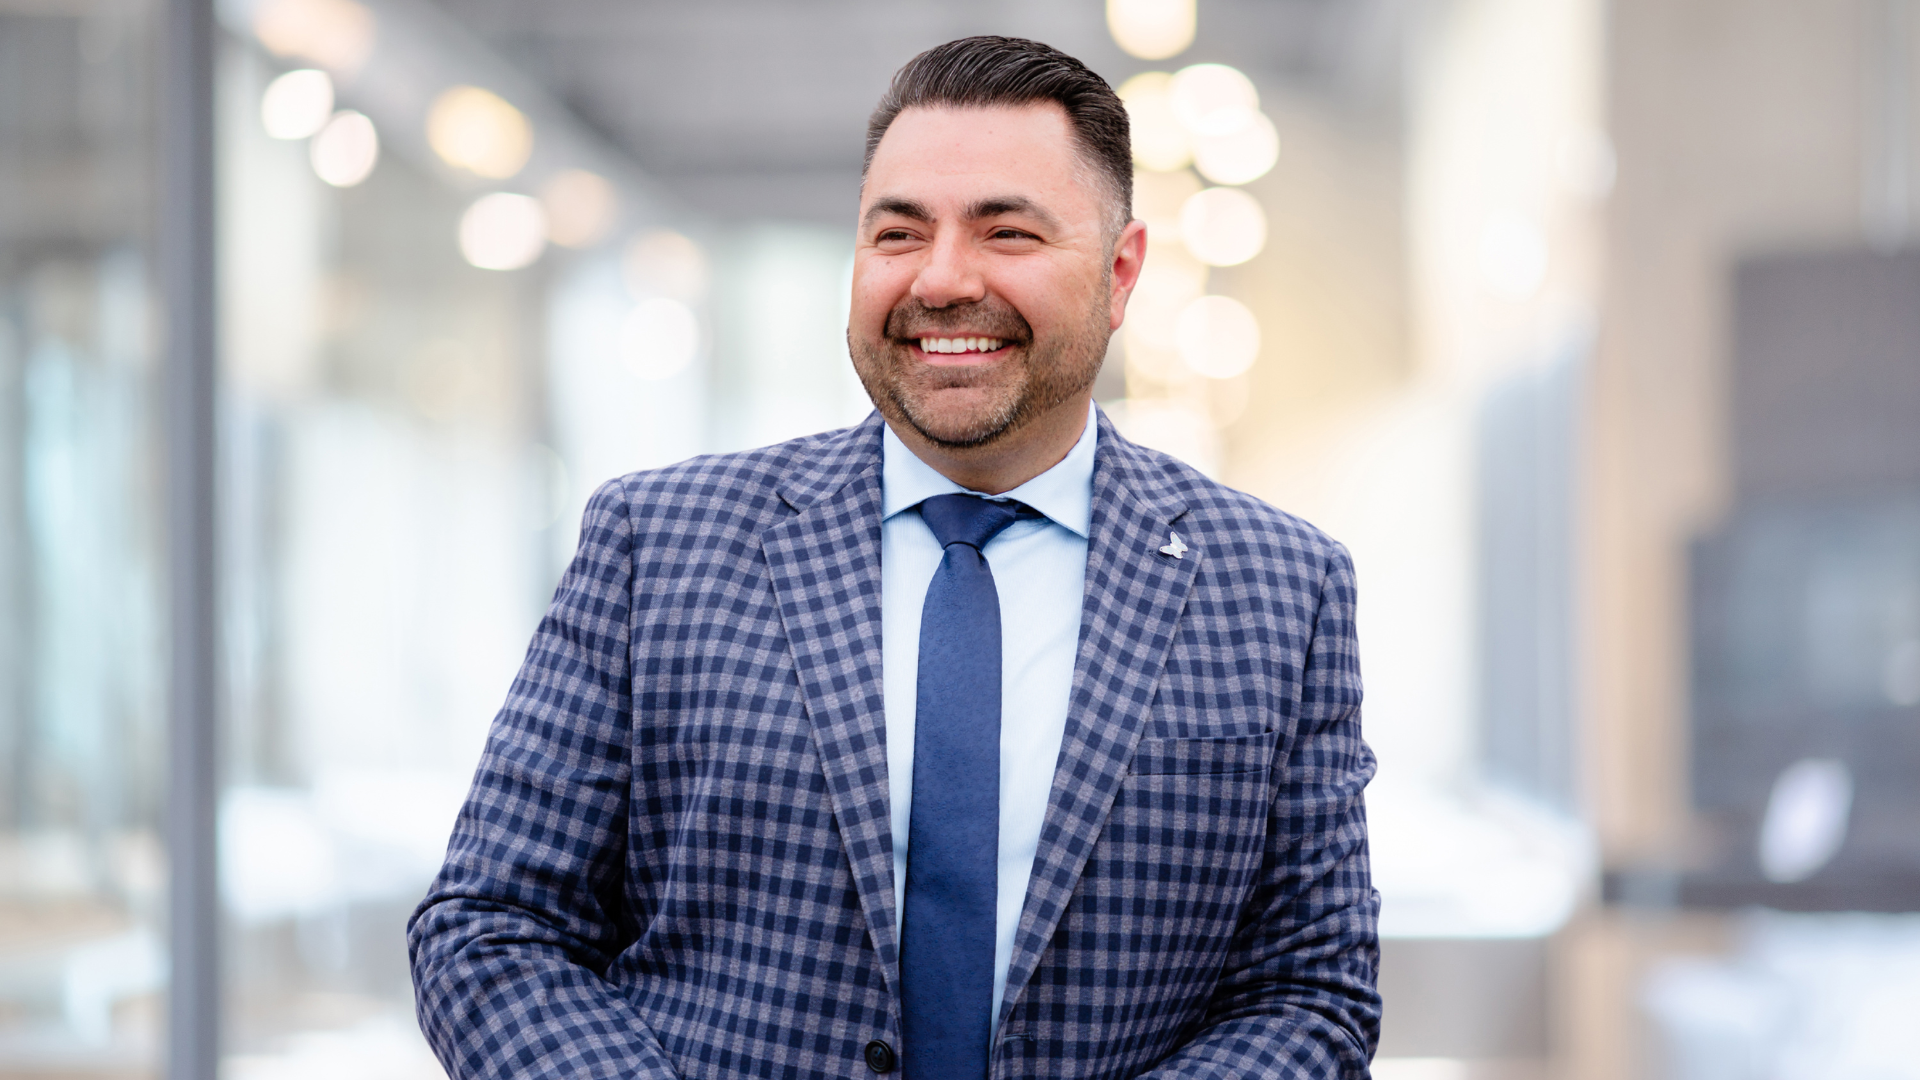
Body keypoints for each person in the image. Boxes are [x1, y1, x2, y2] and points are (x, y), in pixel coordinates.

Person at [409, 35, 1380, 1080]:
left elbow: (1312, 990)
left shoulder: (1281, 587)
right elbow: (490, 928)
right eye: (897, 232)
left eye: (1007, 231)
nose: (943, 278)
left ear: (1121, 270)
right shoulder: (658, 545)